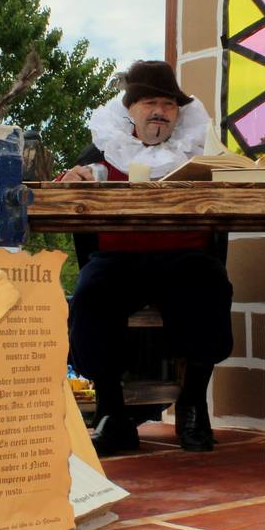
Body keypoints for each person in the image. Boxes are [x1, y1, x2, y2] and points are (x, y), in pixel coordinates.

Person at [61, 60, 233, 455]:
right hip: (118, 260)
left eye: (169, 105)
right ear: (131, 109)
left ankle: (193, 405)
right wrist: (71, 182)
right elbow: (70, 189)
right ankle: (112, 412)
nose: (160, 111)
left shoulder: (201, 151)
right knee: (89, 294)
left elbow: (229, 188)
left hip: (184, 256)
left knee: (210, 284)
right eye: (150, 103)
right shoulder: (103, 150)